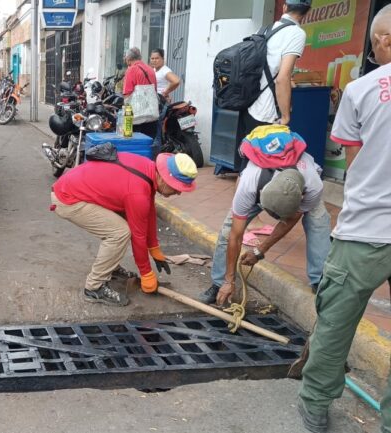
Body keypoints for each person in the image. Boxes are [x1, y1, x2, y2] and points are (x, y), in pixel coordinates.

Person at [297, 6, 391, 433]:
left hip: (366, 230)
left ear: (382, 40)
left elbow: (355, 163)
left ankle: (315, 403)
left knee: (335, 323)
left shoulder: (362, 89)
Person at [199, 126, 331, 305]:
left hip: (298, 190)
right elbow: (235, 236)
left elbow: (291, 220)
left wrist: (260, 250)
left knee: (318, 222)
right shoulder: (249, 184)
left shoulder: (313, 184)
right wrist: (230, 280)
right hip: (259, 185)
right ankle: (219, 283)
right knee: (227, 230)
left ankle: (320, 282)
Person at [51, 152, 198, 306]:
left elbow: (148, 213)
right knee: (119, 232)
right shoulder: (137, 193)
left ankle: (110, 268)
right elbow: (138, 236)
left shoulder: (148, 169)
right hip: (68, 199)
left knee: (119, 225)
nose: (178, 192)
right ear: (163, 177)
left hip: (76, 189)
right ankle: (94, 287)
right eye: (176, 187)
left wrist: (154, 249)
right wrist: (146, 273)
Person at [236, 0, 311, 158]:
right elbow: (282, 78)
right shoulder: (296, 33)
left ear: (284, 7)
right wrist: (285, 116)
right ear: (307, 12)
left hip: (249, 105)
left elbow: (268, 66)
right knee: (266, 167)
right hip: (266, 113)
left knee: (247, 168)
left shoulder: (264, 29)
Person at [122, 47, 159, 139]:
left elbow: (127, 94)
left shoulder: (131, 70)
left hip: (138, 117)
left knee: (137, 144)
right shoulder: (150, 69)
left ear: (128, 59)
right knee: (149, 142)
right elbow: (154, 90)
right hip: (151, 115)